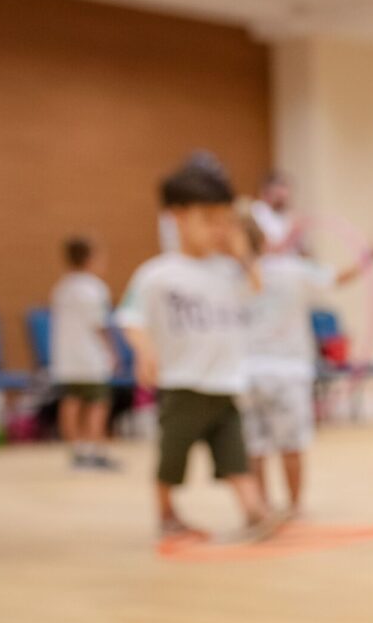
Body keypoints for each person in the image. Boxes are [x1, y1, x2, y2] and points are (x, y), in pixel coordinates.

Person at [117, 163, 275, 540]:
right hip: (183, 382)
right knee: (174, 456)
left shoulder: (227, 271)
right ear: (177, 218)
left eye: (225, 220)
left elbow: (257, 286)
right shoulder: (158, 274)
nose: (219, 229)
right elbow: (130, 316)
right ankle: (167, 512)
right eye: (209, 219)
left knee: (234, 453)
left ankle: (254, 511)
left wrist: (242, 253)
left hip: (224, 382)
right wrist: (144, 351)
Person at [236, 214, 373, 514]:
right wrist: (368, 257)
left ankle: (262, 507)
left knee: (255, 446)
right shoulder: (293, 270)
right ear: (266, 240)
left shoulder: (229, 275)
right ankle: (294, 506)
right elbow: (338, 278)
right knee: (290, 444)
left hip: (244, 372)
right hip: (287, 372)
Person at [49, 235, 118, 470]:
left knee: (71, 400)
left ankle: (77, 450)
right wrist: (112, 351)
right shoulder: (94, 288)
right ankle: (94, 450)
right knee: (98, 402)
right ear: (90, 259)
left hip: (66, 358)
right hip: (90, 357)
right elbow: (99, 326)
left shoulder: (62, 287)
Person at [251, 171, 304, 255]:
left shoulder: (283, 215)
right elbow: (264, 248)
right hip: (269, 262)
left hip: (289, 261)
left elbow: (300, 251)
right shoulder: (258, 211)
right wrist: (292, 234)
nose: (285, 197)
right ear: (268, 191)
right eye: (280, 196)